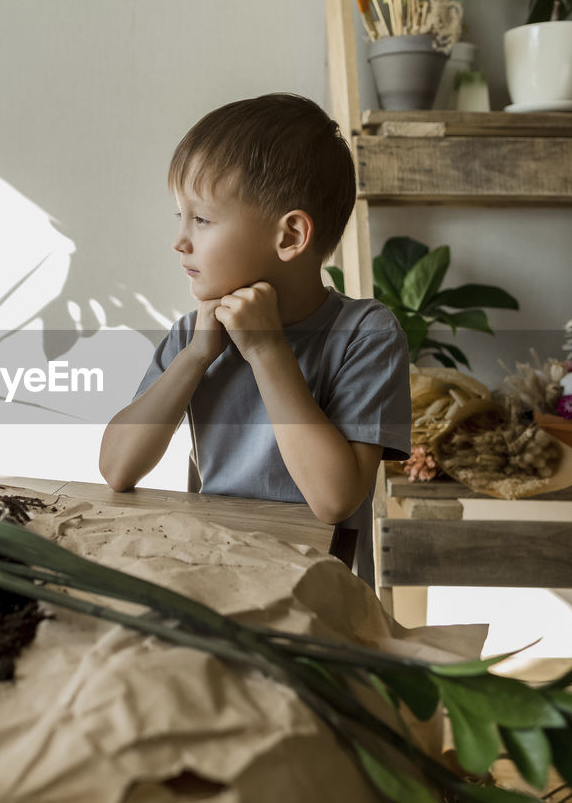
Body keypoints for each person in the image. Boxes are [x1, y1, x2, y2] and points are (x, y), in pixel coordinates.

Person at [97, 92, 411, 580]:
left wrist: (267, 351)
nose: (179, 240)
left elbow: (333, 500)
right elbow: (117, 469)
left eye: (200, 219)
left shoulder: (365, 335)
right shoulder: (193, 334)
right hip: (213, 578)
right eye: (178, 217)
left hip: (319, 598)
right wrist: (197, 356)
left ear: (289, 237)